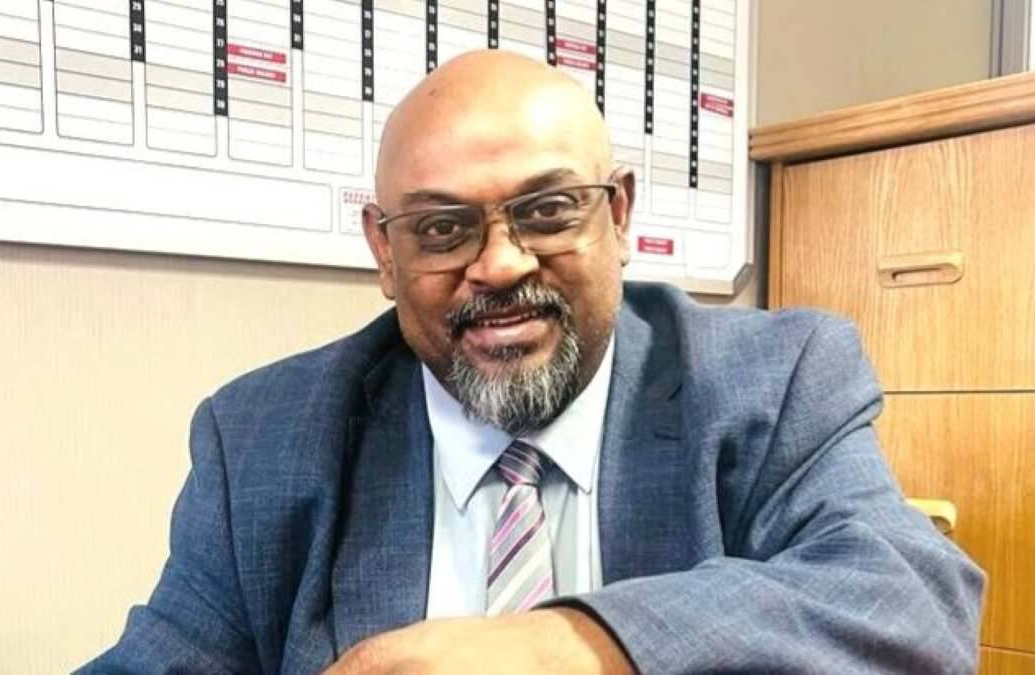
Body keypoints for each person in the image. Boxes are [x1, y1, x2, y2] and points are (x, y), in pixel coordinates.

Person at [80, 50, 983, 674]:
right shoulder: (264, 437)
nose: (502, 264)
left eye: (548, 211)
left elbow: (912, 605)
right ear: (385, 252)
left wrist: (569, 645)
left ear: (618, 216)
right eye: (442, 228)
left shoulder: (772, 381)